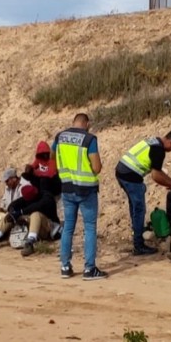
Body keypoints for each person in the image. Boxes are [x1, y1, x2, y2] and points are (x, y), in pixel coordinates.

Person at [53, 113, 106, 280]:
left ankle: (65, 266)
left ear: (73, 122)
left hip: (67, 188)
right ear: (87, 123)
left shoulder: (60, 136)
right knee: (89, 228)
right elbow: (96, 168)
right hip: (86, 190)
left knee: (68, 227)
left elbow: (52, 157)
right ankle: (89, 269)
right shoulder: (89, 139)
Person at [115, 130, 171, 255]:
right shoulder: (158, 150)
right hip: (130, 175)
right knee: (139, 209)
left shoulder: (153, 141)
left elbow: (158, 171)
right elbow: (156, 176)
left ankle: (137, 236)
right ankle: (138, 245)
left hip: (123, 171)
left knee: (135, 207)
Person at [0, 184, 61, 256]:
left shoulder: (47, 197)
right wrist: (12, 212)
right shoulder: (28, 198)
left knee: (35, 214)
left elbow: (36, 206)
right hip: (34, 227)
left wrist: (20, 212)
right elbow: (14, 204)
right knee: (9, 216)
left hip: (48, 228)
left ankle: (30, 243)